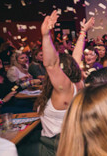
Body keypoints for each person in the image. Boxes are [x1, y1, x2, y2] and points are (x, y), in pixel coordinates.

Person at [34, 10, 83, 156]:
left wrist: (46, 35)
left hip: (56, 147)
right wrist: (83, 33)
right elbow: (76, 57)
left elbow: (51, 65)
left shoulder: (65, 90)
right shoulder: (78, 84)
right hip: (73, 142)